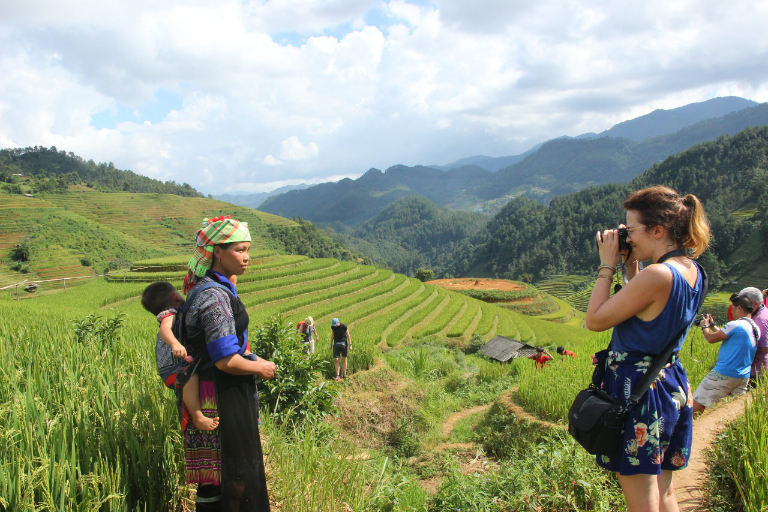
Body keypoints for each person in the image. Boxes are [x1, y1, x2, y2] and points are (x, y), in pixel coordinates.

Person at [585, 186, 710, 512]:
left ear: (657, 230)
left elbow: (596, 320)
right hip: (669, 385)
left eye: (631, 230)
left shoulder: (657, 274)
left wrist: (606, 265)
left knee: (641, 500)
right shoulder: (692, 270)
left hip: (640, 393)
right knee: (664, 492)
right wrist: (630, 269)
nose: (626, 236)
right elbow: (649, 312)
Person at [180, 215, 276, 512]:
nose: (246, 257)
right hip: (219, 396)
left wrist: (252, 358)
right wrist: (260, 367)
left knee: (216, 479)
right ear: (217, 252)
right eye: (239, 250)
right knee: (232, 475)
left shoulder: (211, 289)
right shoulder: (213, 297)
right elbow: (224, 359)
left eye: (248, 250)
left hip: (214, 391)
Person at [141, 281, 219, 431]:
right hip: (172, 368)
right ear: (175, 295)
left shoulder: (178, 314)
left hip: (173, 367)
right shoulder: (169, 313)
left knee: (189, 379)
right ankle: (198, 417)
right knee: (190, 379)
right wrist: (175, 344)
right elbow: (165, 329)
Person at [693, 293, 759, 411]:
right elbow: (726, 335)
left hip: (724, 373)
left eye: (732, 308)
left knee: (698, 402)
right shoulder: (753, 326)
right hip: (743, 376)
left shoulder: (735, 324)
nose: (731, 311)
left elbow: (711, 338)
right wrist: (712, 326)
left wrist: (704, 327)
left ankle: (690, 427)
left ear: (739, 308)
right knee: (728, 410)